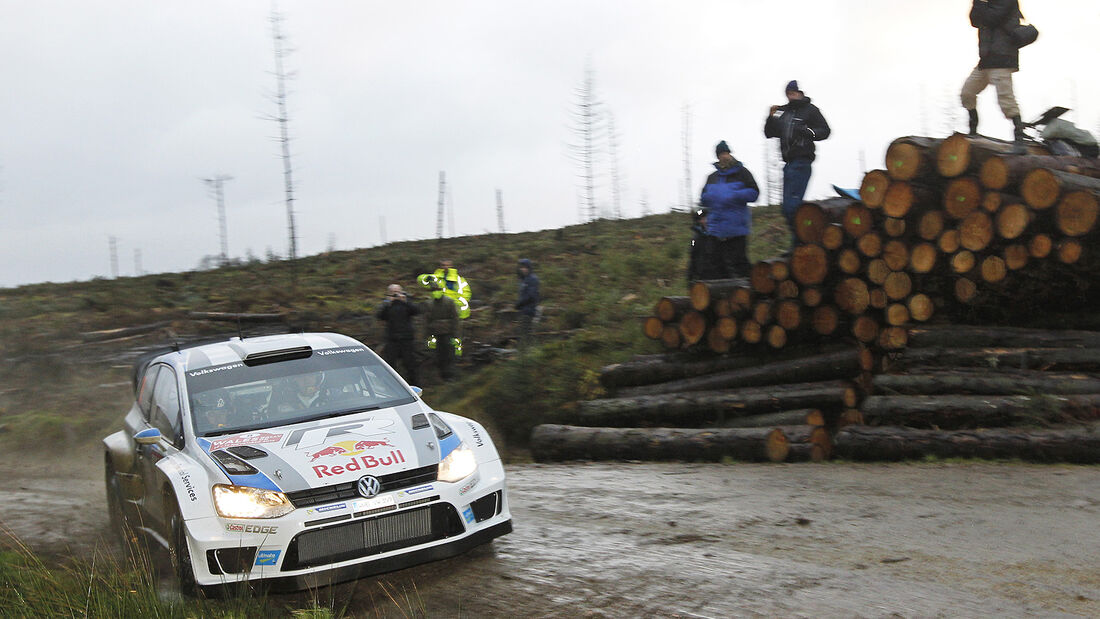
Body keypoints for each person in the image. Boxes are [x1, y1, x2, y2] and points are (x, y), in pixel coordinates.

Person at [764, 80, 831, 251]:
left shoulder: (810, 110)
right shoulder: (782, 111)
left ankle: (801, 242)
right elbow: (769, 133)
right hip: (787, 163)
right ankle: (802, 241)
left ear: (800, 92)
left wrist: (809, 132)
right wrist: (770, 117)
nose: (790, 95)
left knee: (792, 207)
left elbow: (825, 130)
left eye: (793, 92)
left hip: (802, 161)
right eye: (788, 93)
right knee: (787, 209)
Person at [960, 0, 1028, 153]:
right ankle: (973, 131)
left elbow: (992, 18)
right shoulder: (986, 2)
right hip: (986, 59)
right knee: (967, 93)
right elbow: (975, 20)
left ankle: (1020, 142)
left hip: (1003, 58)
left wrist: (980, 2)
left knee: (1006, 100)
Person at [699, 141, 760, 280]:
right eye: (721, 154)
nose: (724, 156)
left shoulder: (743, 173)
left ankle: (750, 294)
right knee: (716, 267)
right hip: (715, 231)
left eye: (726, 153)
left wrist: (735, 195)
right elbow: (702, 200)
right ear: (717, 156)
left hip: (736, 230)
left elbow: (755, 193)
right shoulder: (711, 177)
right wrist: (703, 212)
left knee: (739, 266)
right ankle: (724, 298)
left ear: (730, 154)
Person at [376, 283, 420, 385]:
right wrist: (388, 303)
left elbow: (417, 311)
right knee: (390, 365)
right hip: (392, 340)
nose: (396, 295)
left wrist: (405, 301)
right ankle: (392, 387)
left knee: (410, 365)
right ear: (388, 294)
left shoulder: (406, 302)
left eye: (398, 292)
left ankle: (415, 386)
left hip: (406, 339)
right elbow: (380, 316)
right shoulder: (387, 304)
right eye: (393, 293)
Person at [424, 280, 459, 380]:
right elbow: (426, 320)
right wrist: (427, 335)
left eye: (437, 290)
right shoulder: (429, 304)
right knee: (438, 355)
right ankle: (442, 375)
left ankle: (450, 375)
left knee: (449, 355)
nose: (436, 292)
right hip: (435, 334)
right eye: (433, 290)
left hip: (448, 333)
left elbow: (455, 318)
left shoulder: (449, 301)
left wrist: (456, 334)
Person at [686, 207, 719, 282]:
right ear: (699, 221)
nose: (706, 221)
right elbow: (693, 256)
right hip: (702, 274)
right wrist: (690, 276)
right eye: (703, 219)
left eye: (707, 218)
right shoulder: (695, 239)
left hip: (718, 274)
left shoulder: (719, 236)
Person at [514, 258, 540, 346]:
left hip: (529, 310)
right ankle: (524, 353)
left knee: (525, 334)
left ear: (529, 267)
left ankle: (526, 353)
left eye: (525, 267)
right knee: (522, 333)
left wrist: (519, 304)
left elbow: (531, 296)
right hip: (523, 310)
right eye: (521, 267)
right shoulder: (524, 279)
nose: (523, 269)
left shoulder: (532, 279)